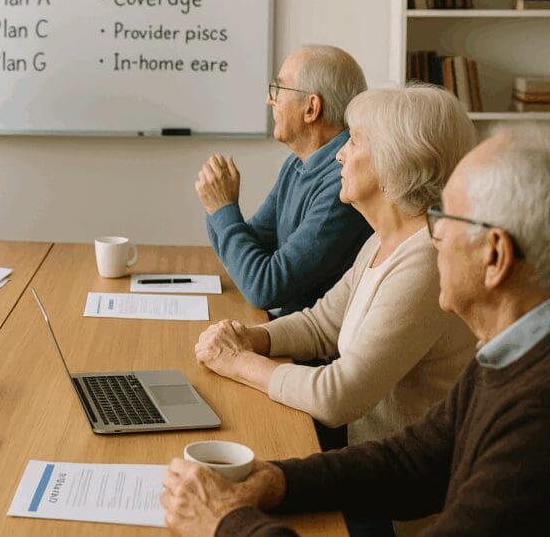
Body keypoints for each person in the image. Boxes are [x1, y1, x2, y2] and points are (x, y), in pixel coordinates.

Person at [161, 125, 550, 536]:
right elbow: (416, 463)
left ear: (494, 256)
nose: (432, 238)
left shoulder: (535, 417)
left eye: (443, 218)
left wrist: (225, 523)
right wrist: (278, 481)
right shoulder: (510, 350)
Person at [194, 86, 477, 533]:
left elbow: (337, 395)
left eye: (355, 141)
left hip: (398, 507)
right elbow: (325, 323)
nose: (340, 156)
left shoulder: (426, 260)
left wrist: (238, 361)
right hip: (362, 468)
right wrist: (256, 338)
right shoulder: (384, 240)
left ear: (396, 160)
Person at [196, 45, 372, 318]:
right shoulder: (299, 162)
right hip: (288, 330)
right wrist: (217, 206)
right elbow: (250, 247)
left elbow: (264, 288)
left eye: (278, 90)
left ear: (311, 108)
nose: (270, 100)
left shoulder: (343, 182)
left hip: (311, 349)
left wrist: (223, 208)